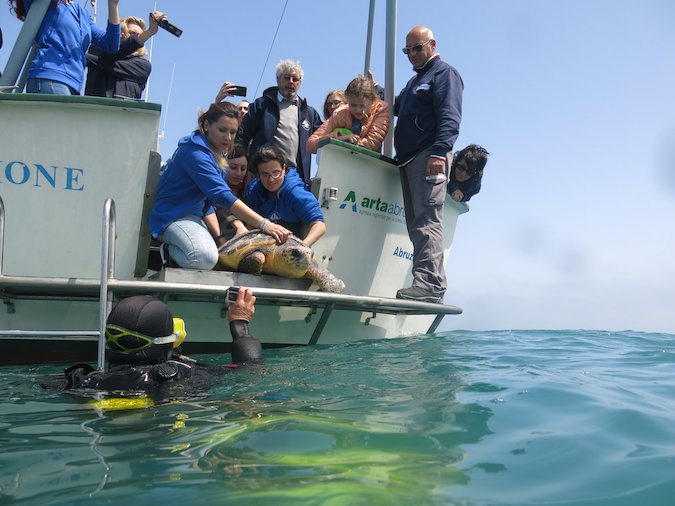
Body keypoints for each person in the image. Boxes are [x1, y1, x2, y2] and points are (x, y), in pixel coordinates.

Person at [147, 102, 291, 271]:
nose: (228, 138)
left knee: (216, 255)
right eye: (222, 130)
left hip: (194, 217)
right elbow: (221, 195)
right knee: (203, 258)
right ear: (207, 125)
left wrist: (221, 239)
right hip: (172, 216)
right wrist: (265, 224)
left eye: (233, 132)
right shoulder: (195, 154)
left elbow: (207, 204)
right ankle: (170, 252)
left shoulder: (216, 153)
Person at [63, 287, 262, 391]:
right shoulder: (179, 375)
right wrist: (240, 324)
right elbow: (250, 371)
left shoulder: (83, 379)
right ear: (166, 340)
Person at [394, 25, 464, 304]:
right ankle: (428, 283)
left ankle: (430, 285)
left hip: (429, 157)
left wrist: (439, 152)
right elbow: (396, 106)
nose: (412, 54)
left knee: (427, 222)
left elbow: (450, 115)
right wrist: (374, 90)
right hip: (410, 160)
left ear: (432, 45)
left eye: (417, 48)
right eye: (407, 50)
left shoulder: (444, 74)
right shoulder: (415, 82)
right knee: (416, 224)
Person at [236, 60, 323, 183]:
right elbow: (242, 136)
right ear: (278, 79)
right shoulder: (261, 105)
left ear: (300, 83)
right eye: (287, 78)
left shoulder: (309, 113)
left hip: (295, 178)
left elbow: (325, 135)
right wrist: (245, 167)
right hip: (263, 175)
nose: (291, 82)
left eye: (295, 79)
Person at [8, 0, 121, 95]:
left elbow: (111, 44)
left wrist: (113, 4)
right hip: (50, 78)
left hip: (74, 84)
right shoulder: (46, 3)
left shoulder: (82, 13)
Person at [246, 145, 326, 246]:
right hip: (262, 244)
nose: (271, 180)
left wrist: (301, 248)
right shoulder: (253, 190)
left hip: (290, 244)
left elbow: (320, 225)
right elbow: (249, 225)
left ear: (284, 168)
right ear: (258, 173)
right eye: (265, 174)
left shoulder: (295, 192)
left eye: (276, 173)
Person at [84, 12, 165, 99]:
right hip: (94, 109)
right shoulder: (97, 50)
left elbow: (104, 62)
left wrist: (149, 32)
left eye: (141, 35)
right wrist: (149, 32)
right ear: (120, 33)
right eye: (132, 33)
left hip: (125, 111)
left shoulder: (143, 66)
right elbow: (111, 53)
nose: (139, 38)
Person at [307, 75, 390, 154]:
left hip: (368, 164)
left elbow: (372, 143)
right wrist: (337, 137)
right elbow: (311, 144)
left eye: (362, 105)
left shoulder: (381, 109)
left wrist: (350, 141)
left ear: (372, 101)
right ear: (347, 101)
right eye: (353, 105)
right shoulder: (341, 113)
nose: (358, 110)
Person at [215, 143, 250, 242]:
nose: (238, 173)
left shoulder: (248, 192)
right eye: (233, 167)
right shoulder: (214, 190)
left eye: (243, 169)